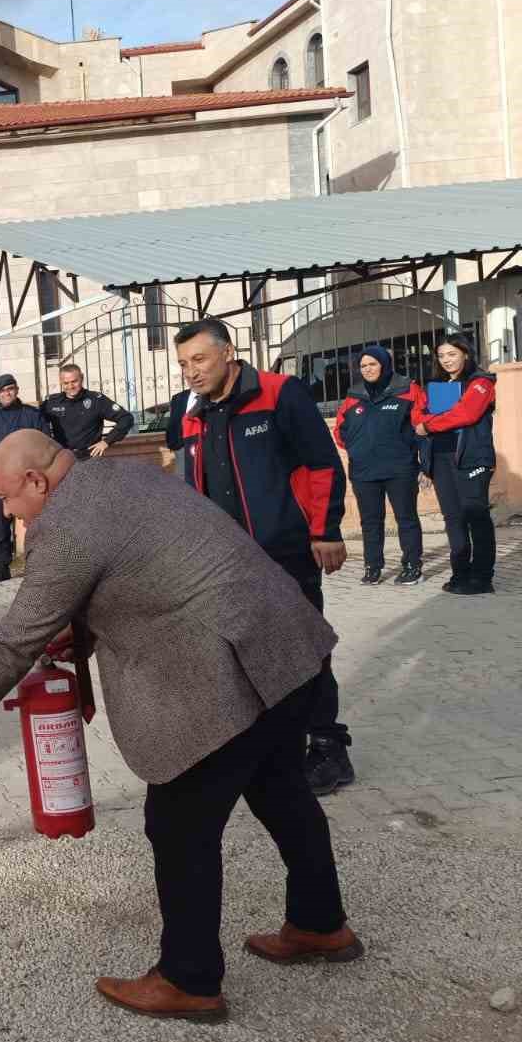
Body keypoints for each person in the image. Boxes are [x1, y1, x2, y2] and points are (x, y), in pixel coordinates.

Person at [0, 431, 360, 1022]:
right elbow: (147, 564)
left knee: (178, 826)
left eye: (7, 499)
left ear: (38, 482)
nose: (7, 512)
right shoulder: (125, 473)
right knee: (282, 791)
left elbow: (17, 637)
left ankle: (189, 979)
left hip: (226, 671)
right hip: (285, 648)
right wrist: (89, 632)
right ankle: (320, 924)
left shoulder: (64, 528)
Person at [174, 319, 353, 797]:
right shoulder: (192, 413)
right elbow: (188, 484)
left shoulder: (280, 393)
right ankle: (270, 745)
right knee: (241, 652)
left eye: (199, 359)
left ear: (228, 352)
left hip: (285, 551)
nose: (191, 371)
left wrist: (326, 529)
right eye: (184, 364)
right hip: (224, 564)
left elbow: (322, 464)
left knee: (305, 649)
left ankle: (328, 748)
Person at [412, 333, 498, 595]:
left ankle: (482, 578)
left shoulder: (480, 382)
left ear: (466, 354)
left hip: (471, 457)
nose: (447, 360)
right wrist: (426, 421)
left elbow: (467, 413)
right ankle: (460, 572)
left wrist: (430, 423)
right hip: (441, 457)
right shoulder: (435, 385)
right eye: (441, 355)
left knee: (476, 515)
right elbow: (417, 413)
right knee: (453, 518)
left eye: (452, 354)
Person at [333, 345, 426, 586]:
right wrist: (356, 448)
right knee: (370, 521)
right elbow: (340, 431)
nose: (367, 369)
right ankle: (372, 566)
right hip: (364, 471)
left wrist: (418, 458)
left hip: (400, 468)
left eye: (372, 364)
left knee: (406, 518)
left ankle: (412, 565)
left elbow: (422, 426)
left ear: (384, 364)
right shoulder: (354, 395)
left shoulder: (407, 389)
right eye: (363, 366)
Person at [0, 374, 50, 582]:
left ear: (16, 391)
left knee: (34, 525)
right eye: (2, 391)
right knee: (0, 526)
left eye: (10, 389)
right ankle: (1, 567)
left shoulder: (32, 415)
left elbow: (44, 442)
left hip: (28, 482)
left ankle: (37, 565)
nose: (7, 393)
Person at [40, 364, 134, 459]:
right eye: (66, 383)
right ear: (60, 382)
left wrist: (106, 441)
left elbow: (126, 418)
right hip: (62, 459)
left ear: (82, 378)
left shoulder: (96, 400)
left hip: (90, 457)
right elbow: (36, 423)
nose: (70, 386)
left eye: (74, 381)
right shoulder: (52, 403)